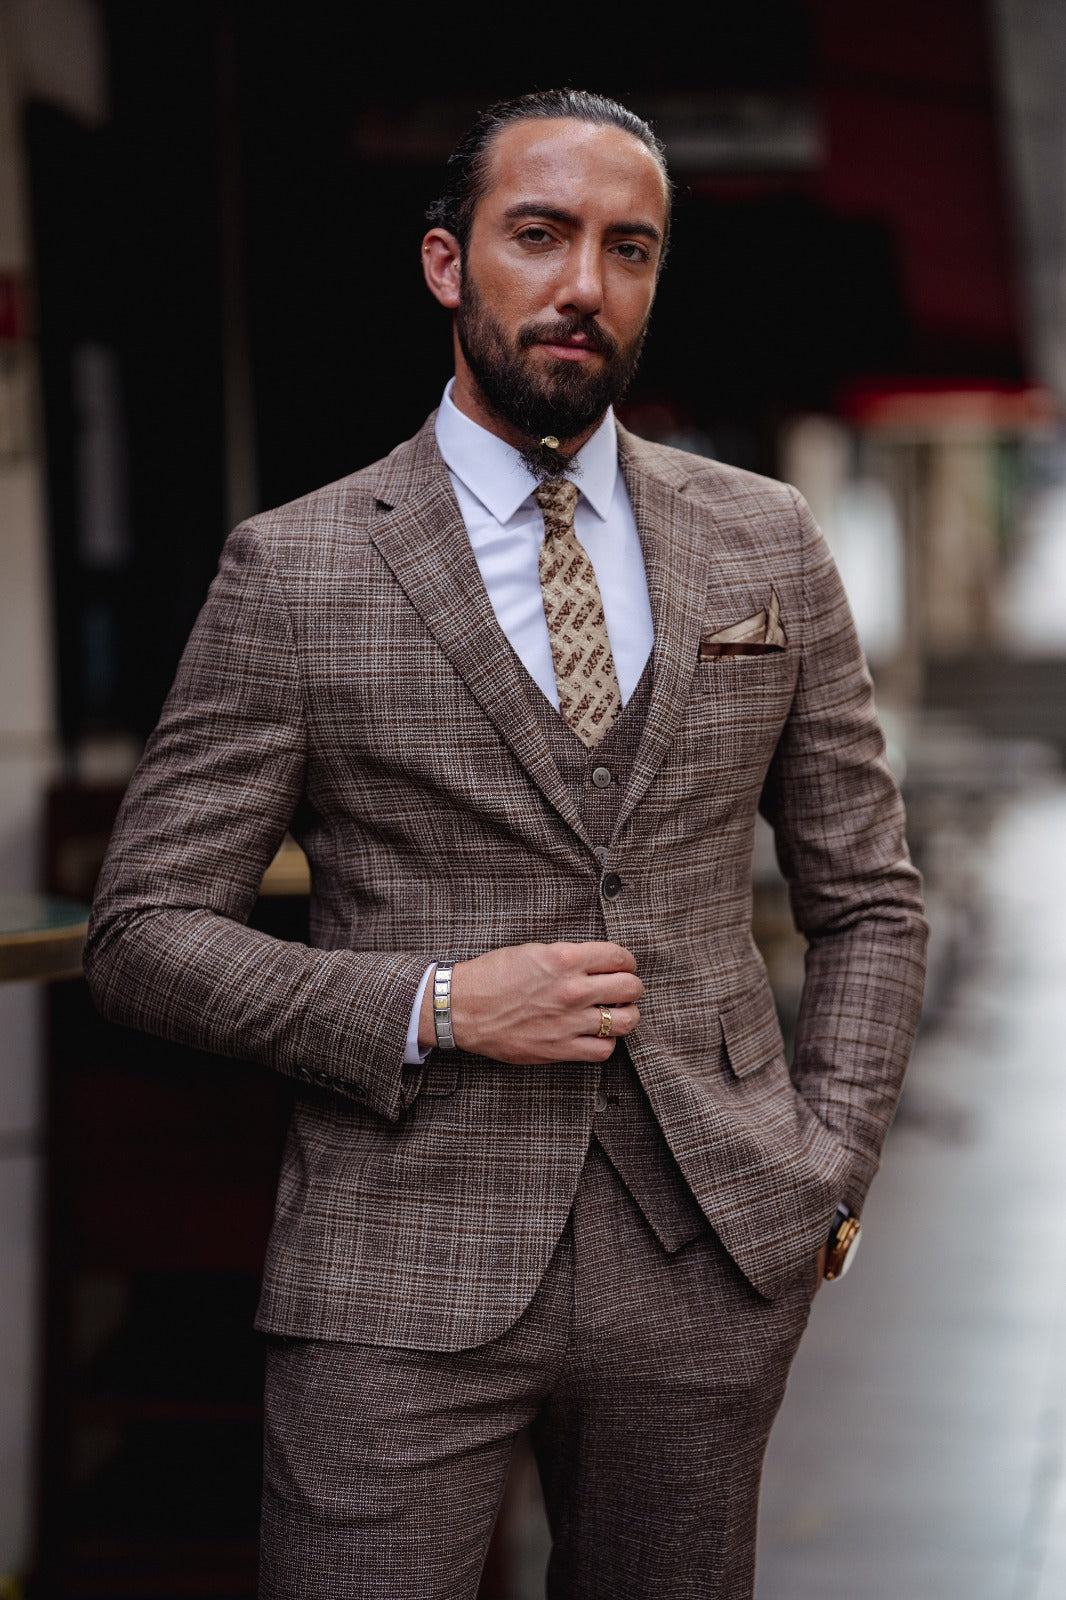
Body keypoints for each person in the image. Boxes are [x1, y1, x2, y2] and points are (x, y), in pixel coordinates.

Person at [85, 88, 927, 1600]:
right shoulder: (297, 567)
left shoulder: (764, 542)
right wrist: (438, 1007)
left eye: (627, 248)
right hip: (393, 1263)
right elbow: (142, 935)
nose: (581, 286)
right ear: (445, 263)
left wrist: (827, 1171)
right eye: (537, 236)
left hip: (709, 1249)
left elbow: (866, 898)